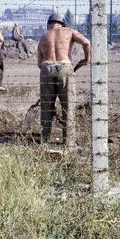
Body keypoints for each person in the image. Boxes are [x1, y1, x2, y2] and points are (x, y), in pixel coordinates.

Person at [37, 13, 90, 147]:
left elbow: (39, 63)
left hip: (46, 68)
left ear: (49, 24)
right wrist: (86, 58)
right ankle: (69, 143)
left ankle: (45, 141)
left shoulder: (43, 37)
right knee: (68, 106)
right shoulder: (69, 31)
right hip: (65, 67)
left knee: (46, 107)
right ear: (62, 24)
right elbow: (86, 42)